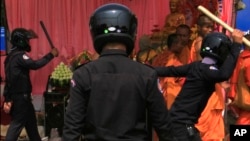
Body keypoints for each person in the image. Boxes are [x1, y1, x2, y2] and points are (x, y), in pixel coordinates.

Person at [63, 3, 175, 141]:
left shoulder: (83, 75)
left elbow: (72, 128)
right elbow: (164, 127)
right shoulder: (147, 75)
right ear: (132, 32)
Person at [154, 30, 244, 141]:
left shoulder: (197, 67)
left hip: (180, 123)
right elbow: (224, 74)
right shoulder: (207, 71)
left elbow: (171, 71)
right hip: (181, 125)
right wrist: (236, 45)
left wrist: (144, 69)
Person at [3, 28, 59, 141]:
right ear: (21, 41)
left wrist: (7, 97)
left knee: (32, 130)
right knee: (16, 126)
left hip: (22, 99)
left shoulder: (9, 57)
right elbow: (35, 64)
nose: (28, 43)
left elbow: (9, 80)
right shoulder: (20, 56)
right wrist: (51, 55)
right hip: (21, 100)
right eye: (27, 40)